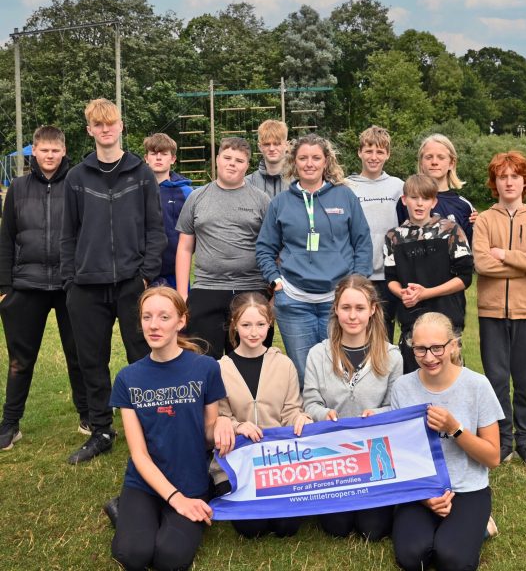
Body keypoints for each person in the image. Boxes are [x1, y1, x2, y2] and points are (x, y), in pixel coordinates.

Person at [61, 98, 166, 464]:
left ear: (121, 126)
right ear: (90, 129)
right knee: (92, 360)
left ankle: (151, 427)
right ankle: (101, 430)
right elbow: (67, 234)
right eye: (98, 124)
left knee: (142, 356)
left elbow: (155, 229)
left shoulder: (141, 173)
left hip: (131, 284)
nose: (105, 129)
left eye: (111, 123)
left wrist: (145, 274)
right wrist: (71, 280)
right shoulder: (76, 177)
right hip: (86, 286)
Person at [109, 286, 228, 571]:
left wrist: (222, 423)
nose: (154, 325)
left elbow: (208, 436)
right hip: (145, 483)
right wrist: (175, 499)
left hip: (190, 480)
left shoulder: (206, 368)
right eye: (147, 317)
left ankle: (144, 517)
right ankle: (126, 509)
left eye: (164, 317)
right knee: (132, 555)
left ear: (181, 321)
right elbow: (138, 454)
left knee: (170, 559)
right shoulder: (128, 378)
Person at [390, 312, 503, 571]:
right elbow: (400, 456)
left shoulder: (477, 385)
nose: (429, 357)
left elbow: (493, 458)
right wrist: (425, 498)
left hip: (467, 488)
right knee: (412, 557)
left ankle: (481, 525)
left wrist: (455, 429)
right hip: (422, 487)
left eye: (437, 348)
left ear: (453, 345)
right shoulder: (402, 387)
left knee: (452, 560)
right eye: (420, 349)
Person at [256, 134, 372, 385]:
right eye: (303, 158)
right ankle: (309, 412)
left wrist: (356, 286)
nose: (309, 163)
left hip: (337, 301)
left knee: (343, 372)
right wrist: (276, 282)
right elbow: (264, 247)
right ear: (294, 162)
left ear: (326, 161)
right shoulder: (281, 202)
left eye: (316, 158)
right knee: (305, 375)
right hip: (294, 301)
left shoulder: (345, 197)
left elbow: (362, 243)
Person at [0, 126, 88, 451]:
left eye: (55, 150)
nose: (49, 155)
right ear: (34, 151)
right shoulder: (18, 188)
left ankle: (89, 416)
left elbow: (86, 233)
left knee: (78, 355)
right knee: (20, 361)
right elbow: (6, 238)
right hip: (25, 285)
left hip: (69, 285)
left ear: (64, 151)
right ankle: (10, 424)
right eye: (44, 150)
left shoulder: (77, 184)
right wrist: (4, 287)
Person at [302, 274, 403, 540]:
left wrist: (377, 414)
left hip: (374, 456)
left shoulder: (392, 356)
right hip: (333, 457)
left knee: (374, 529)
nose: (352, 316)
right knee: (337, 527)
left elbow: (396, 406)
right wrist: (323, 413)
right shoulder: (318, 354)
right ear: (336, 309)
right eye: (346, 307)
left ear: (373, 309)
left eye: (360, 308)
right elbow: (309, 402)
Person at [473, 151, 526, 470]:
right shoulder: (485, 220)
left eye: (515, 176)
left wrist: (504, 255)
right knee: (496, 379)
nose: (509, 182)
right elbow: (482, 264)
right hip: (491, 312)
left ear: (524, 182)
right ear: (495, 183)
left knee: (524, 381)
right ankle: (504, 440)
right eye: (502, 177)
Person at [211, 291, 311, 538]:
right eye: (246, 325)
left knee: (287, 527)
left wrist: (301, 418)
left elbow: (291, 411)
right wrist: (237, 426)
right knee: (251, 529)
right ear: (234, 324)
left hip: (277, 461)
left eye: (260, 324)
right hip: (238, 461)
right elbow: (220, 417)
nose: (253, 332)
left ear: (270, 324)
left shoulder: (284, 365)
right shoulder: (220, 369)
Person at [175, 137, 272, 359]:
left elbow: (272, 248)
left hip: (251, 289)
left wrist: (272, 294)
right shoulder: (197, 197)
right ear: (217, 159)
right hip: (207, 287)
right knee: (203, 359)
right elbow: (184, 247)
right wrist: (182, 294)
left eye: (239, 160)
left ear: (247, 165)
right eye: (227, 158)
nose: (232, 164)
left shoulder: (261, 200)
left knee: (250, 360)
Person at [384, 174, 473, 374]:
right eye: (414, 198)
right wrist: (403, 294)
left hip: (447, 318)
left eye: (425, 198)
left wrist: (426, 293)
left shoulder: (451, 230)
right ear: (404, 200)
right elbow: (391, 278)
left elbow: (465, 277)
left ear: (433, 202)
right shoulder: (394, 237)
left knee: (449, 378)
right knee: (413, 379)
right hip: (412, 322)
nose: (419, 203)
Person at [347, 125, 404, 342]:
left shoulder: (398, 187)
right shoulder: (347, 186)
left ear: (387, 154)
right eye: (368, 151)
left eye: (379, 152)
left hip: (389, 275)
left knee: (384, 333)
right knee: (355, 331)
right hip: (357, 273)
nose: (373, 157)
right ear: (359, 152)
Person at [397, 134, 476, 244]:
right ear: (421, 162)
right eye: (429, 157)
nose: (434, 162)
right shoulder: (408, 201)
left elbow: (470, 247)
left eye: (441, 157)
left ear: (451, 163)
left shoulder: (464, 206)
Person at [144, 132, 193, 289]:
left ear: (172, 159)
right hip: (143, 272)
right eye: (153, 154)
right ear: (146, 158)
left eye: (164, 154)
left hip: (176, 272)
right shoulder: (137, 190)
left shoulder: (186, 192)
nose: (158, 158)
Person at [245, 119, 289, 198]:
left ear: (286, 145)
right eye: (267, 144)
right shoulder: (248, 183)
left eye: (277, 144)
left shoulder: (299, 181)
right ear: (260, 147)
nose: (272, 149)